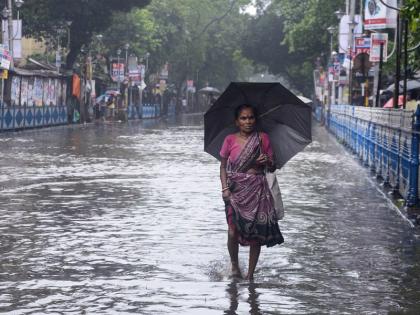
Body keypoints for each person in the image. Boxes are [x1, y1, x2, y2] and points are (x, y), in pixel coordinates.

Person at [219, 104, 284, 280]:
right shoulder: (229, 140)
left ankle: (250, 275)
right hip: (234, 191)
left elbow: (273, 166)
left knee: (256, 233)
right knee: (232, 231)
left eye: (251, 118)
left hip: (257, 190)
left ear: (255, 119)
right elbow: (223, 166)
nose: (248, 121)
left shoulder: (263, 138)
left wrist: (267, 160)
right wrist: (224, 188)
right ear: (237, 121)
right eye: (243, 118)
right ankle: (234, 265)